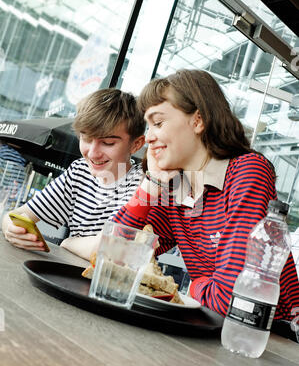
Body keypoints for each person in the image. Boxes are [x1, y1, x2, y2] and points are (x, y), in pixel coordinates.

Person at [113, 69, 299, 326]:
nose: (150, 137)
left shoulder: (247, 171)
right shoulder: (178, 186)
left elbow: (234, 299)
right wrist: (151, 183)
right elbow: (115, 255)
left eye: (158, 123)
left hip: (275, 335)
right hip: (214, 328)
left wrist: (193, 287)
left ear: (197, 121)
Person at [2, 88, 145, 259]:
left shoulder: (143, 183)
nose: (92, 153)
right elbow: (16, 216)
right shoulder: (80, 170)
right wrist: (12, 229)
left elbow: (110, 250)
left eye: (107, 143)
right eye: (86, 139)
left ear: (136, 144)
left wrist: (68, 242)